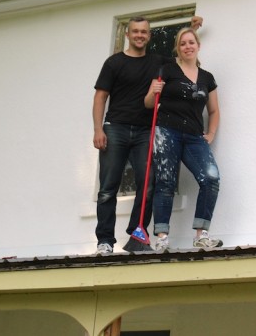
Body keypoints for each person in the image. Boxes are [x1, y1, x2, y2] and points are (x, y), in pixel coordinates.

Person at [92, 16, 203, 254]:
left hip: (145, 131)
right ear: (128, 35)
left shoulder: (158, 62)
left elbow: (182, 56)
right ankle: (104, 241)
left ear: (149, 36)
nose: (140, 35)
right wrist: (98, 129)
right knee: (108, 188)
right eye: (135, 31)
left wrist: (191, 30)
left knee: (149, 182)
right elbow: (100, 97)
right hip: (115, 128)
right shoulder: (114, 63)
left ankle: (137, 233)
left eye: (144, 32)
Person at [144, 27, 222, 251]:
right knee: (166, 182)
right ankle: (161, 238)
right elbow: (149, 104)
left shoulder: (207, 78)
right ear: (178, 48)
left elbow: (214, 111)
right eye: (183, 43)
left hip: (194, 136)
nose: (187, 46)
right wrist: (153, 91)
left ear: (198, 45)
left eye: (191, 42)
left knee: (211, 178)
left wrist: (210, 134)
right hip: (167, 131)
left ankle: (201, 235)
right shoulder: (167, 70)